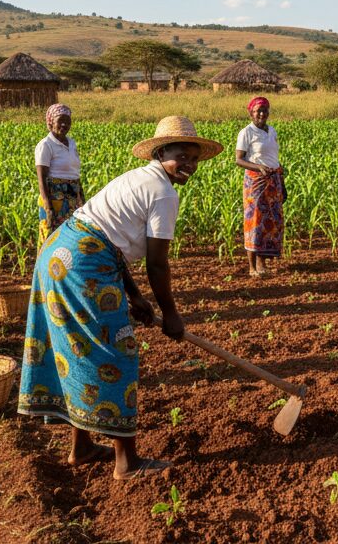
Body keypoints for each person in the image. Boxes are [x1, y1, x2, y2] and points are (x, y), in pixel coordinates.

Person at [18, 115, 221, 479]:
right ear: (161, 152)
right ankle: (127, 463)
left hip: (61, 254)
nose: (188, 164)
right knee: (116, 352)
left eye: (194, 158)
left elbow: (108, 239)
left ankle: (81, 448)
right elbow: (157, 265)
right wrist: (170, 314)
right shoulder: (163, 192)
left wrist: (137, 297)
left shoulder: (139, 177)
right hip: (83, 264)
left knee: (81, 348)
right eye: (181, 155)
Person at [234, 96, 285, 277]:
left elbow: (274, 157)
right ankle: (252, 266)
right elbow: (239, 160)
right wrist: (259, 167)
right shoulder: (246, 132)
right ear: (251, 113)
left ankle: (262, 262)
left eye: (264, 110)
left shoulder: (272, 131)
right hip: (256, 182)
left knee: (270, 223)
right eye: (257, 111)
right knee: (254, 222)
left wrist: (282, 183)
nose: (261, 114)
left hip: (273, 180)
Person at [35, 103, 84, 244]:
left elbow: (75, 173)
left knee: (72, 239)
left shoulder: (72, 143)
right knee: (52, 238)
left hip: (73, 197)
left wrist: (82, 199)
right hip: (55, 198)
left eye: (67, 121)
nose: (64, 125)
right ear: (51, 122)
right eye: (60, 121)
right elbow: (41, 178)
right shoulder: (46, 145)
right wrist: (48, 207)